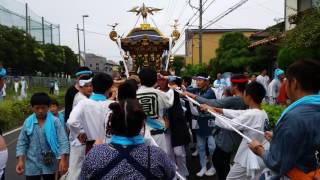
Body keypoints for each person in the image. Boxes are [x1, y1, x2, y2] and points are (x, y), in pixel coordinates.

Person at [249, 60, 320, 179]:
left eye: (286, 81)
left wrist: (259, 149)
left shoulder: (294, 118)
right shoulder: (315, 107)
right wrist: (278, 138)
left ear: (294, 83)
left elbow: (277, 162)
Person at [80, 99, 176, 179]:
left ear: (111, 123)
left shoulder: (95, 154)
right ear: (142, 125)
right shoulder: (157, 155)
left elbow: (83, 177)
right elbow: (171, 174)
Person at [205, 81, 268, 179]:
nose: (243, 96)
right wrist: (217, 109)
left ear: (249, 96)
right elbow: (238, 113)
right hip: (255, 154)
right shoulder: (261, 112)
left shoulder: (252, 114)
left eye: (244, 93)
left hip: (247, 157)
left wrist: (213, 113)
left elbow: (230, 125)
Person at [198, 74, 248, 180]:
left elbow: (213, 102)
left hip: (229, 139)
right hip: (233, 138)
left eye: (230, 85)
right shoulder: (244, 99)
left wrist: (191, 95)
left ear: (235, 87)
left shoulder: (235, 100)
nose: (228, 87)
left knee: (221, 163)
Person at [16, 92, 69, 179]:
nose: (40, 111)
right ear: (32, 107)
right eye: (37, 108)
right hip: (32, 164)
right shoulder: (28, 122)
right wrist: (20, 161)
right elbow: (22, 142)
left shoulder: (55, 121)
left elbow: (63, 141)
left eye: (43, 108)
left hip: (51, 164)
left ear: (48, 107)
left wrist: (63, 160)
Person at [67, 73, 114, 155]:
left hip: (90, 145)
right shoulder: (113, 105)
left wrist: (80, 133)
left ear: (93, 86)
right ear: (109, 88)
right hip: (109, 146)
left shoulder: (83, 103)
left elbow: (71, 122)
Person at [183, 73, 216, 177]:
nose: (197, 82)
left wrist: (188, 94)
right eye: (196, 80)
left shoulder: (210, 92)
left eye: (200, 80)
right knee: (201, 146)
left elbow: (202, 100)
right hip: (198, 120)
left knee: (212, 147)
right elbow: (185, 92)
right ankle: (203, 167)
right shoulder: (196, 89)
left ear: (206, 81)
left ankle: (213, 166)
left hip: (210, 121)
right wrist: (176, 88)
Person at [158, 72, 191, 179]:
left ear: (168, 79)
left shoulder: (175, 89)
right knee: (168, 153)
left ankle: (183, 173)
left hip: (177, 125)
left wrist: (168, 78)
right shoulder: (156, 92)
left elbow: (180, 81)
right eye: (159, 79)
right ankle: (174, 174)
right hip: (163, 126)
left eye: (163, 79)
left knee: (179, 153)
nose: (161, 81)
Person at [136, 67, 174, 153]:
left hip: (140, 136)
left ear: (140, 79)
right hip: (157, 134)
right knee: (159, 161)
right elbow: (169, 102)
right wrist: (172, 89)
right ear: (155, 80)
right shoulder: (159, 93)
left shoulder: (135, 94)